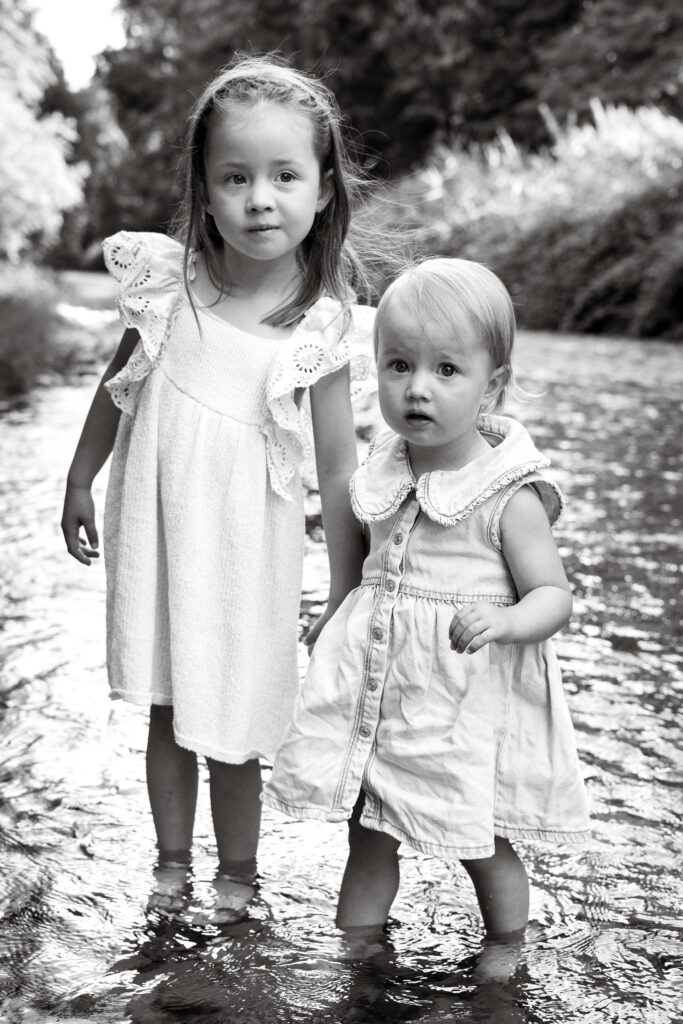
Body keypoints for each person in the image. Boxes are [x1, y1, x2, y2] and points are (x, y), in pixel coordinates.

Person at [61, 55, 378, 923]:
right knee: (166, 706)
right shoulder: (169, 289)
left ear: (322, 192)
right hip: (161, 533)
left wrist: (346, 587)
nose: (259, 198)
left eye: (283, 176)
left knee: (234, 724)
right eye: (235, 178)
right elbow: (117, 390)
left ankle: (238, 875)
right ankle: (170, 865)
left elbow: (341, 467)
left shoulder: (316, 329)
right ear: (204, 189)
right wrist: (80, 476)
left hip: (247, 554)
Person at [264, 257, 591, 947]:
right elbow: (368, 572)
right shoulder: (384, 467)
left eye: (446, 370)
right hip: (383, 699)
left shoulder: (507, 492)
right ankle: (356, 951)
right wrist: (334, 613)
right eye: (398, 365)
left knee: (482, 840)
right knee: (369, 829)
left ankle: (505, 952)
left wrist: (506, 621)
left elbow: (553, 597)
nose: (417, 389)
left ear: (490, 386)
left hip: (461, 706)